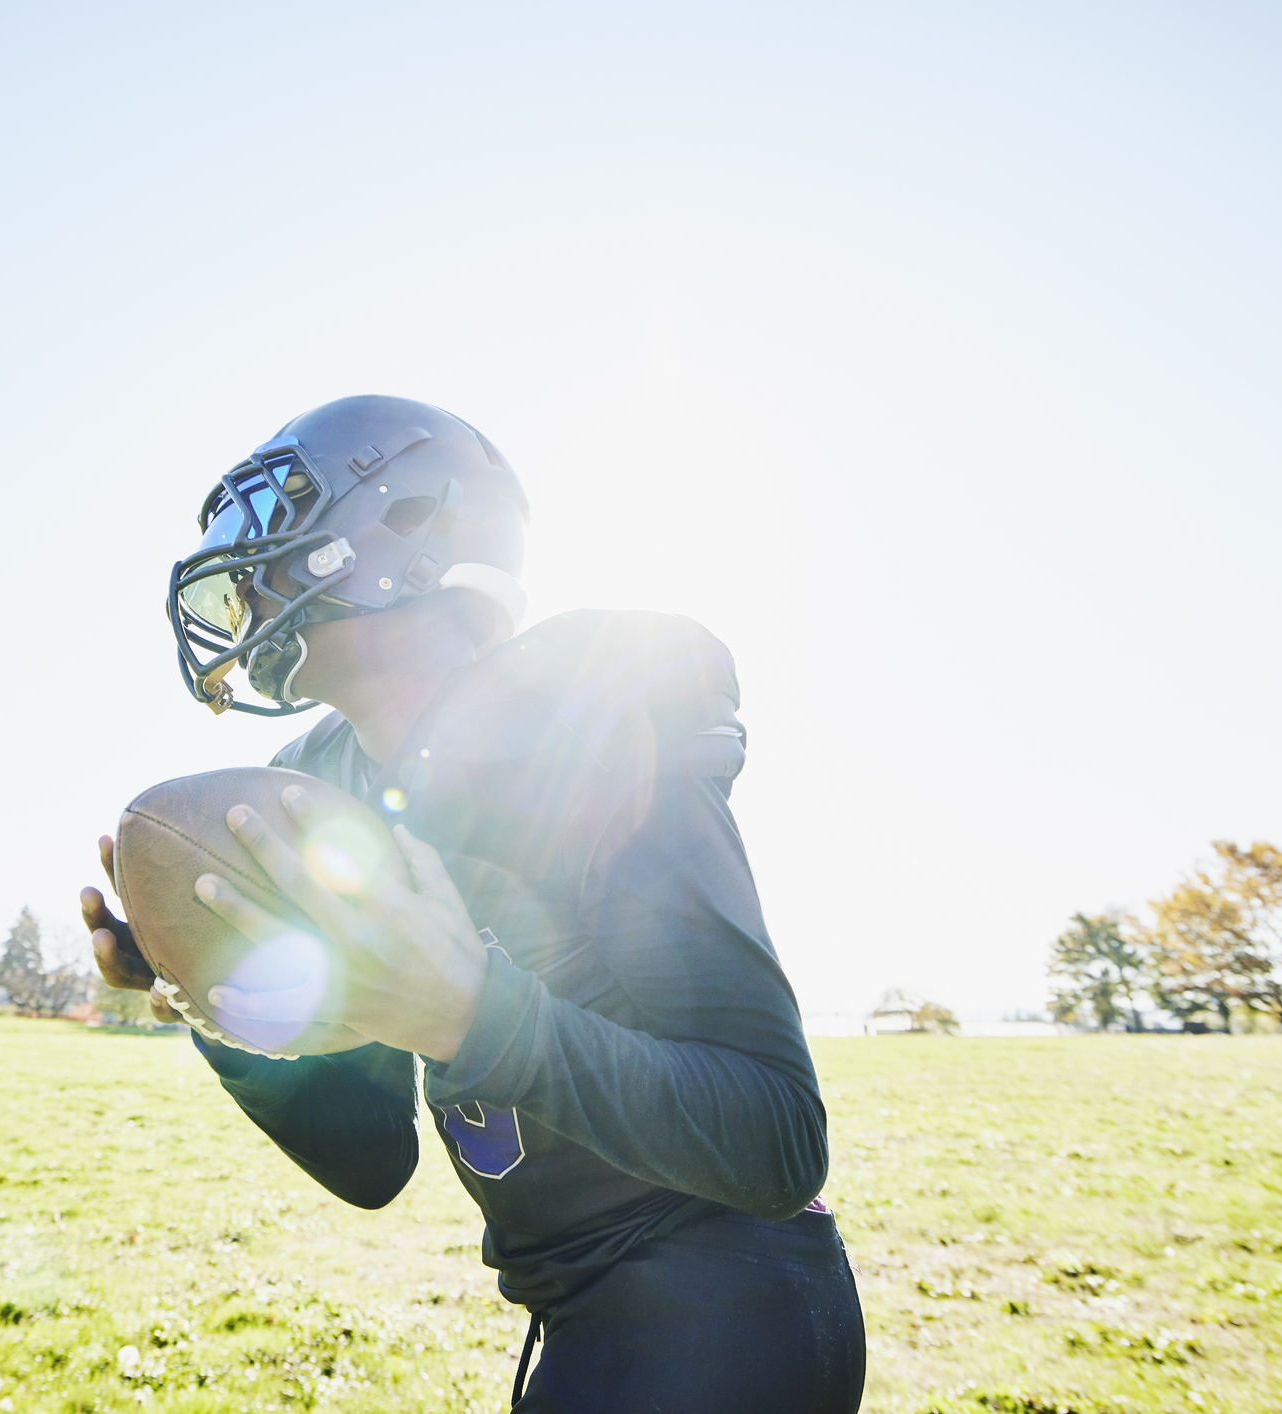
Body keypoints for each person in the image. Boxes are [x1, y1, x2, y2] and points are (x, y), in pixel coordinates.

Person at [82, 395, 864, 1411]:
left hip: (732, 1308)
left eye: (276, 523)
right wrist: (220, 1001)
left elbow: (775, 1138)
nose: (242, 567)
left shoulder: (589, 726)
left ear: (404, 524)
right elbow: (370, 1159)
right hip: (577, 1313)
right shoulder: (335, 790)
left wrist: (467, 1014)